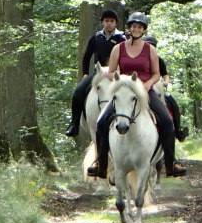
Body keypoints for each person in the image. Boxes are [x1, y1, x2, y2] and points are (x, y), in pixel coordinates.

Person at [92, 12, 184, 178]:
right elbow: (111, 72)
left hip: (145, 92)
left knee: (167, 122)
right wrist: (123, 81)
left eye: (139, 27)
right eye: (134, 26)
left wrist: (148, 84)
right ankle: (101, 164)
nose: (136, 29)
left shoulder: (150, 50)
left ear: (143, 30)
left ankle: (171, 165)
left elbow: (156, 74)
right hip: (124, 92)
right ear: (129, 28)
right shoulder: (117, 48)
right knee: (101, 123)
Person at [65, 9, 125, 137]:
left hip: (116, 73)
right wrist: (85, 73)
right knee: (78, 93)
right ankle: (74, 124)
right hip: (99, 73)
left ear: (116, 23)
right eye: (106, 21)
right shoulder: (96, 38)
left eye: (112, 21)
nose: (109, 24)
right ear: (102, 22)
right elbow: (87, 56)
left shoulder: (122, 38)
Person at [143, 36, 188, 142]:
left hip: (157, 88)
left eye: (152, 46)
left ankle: (177, 130)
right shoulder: (138, 59)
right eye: (148, 45)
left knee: (172, 102)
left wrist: (165, 82)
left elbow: (165, 75)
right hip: (141, 87)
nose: (150, 48)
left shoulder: (159, 60)